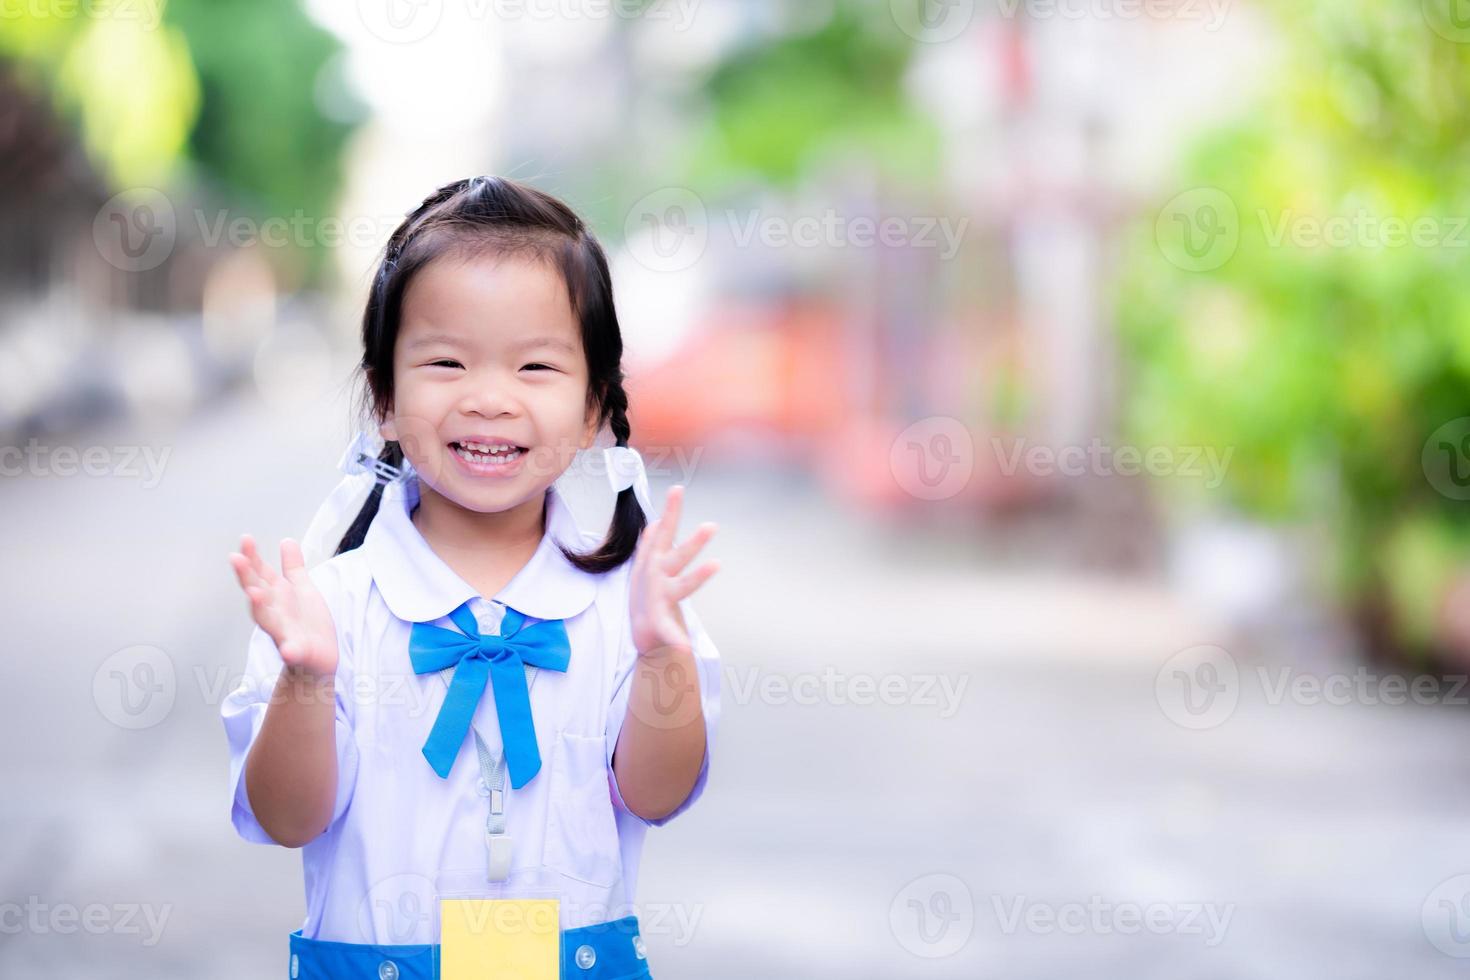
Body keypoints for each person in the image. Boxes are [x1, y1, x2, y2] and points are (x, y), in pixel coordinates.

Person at [221, 176, 721, 978]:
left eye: (535, 368)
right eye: (447, 362)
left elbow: (657, 796)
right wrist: (307, 679)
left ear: (595, 406)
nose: (489, 398)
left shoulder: (631, 604)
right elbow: (288, 818)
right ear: (383, 397)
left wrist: (665, 659)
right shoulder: (326, 609)